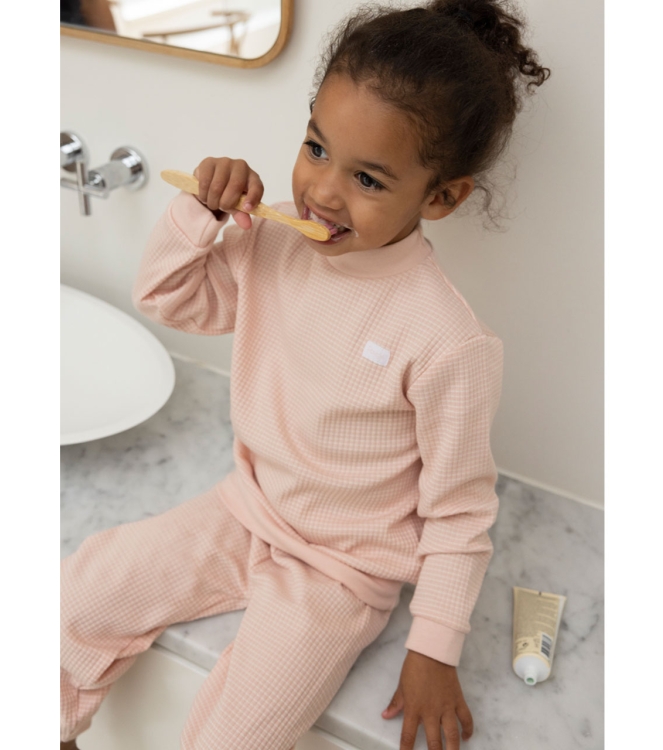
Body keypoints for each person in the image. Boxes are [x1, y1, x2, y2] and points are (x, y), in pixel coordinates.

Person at [60, 1, 550, 748]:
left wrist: (434, 648)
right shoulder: (273, 240)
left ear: (442, 196)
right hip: (244, 508)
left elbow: (459, 512)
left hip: (343, 569)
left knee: (238, 733)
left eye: (368, 179)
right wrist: (199, 214)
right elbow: (167, 300)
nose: (321, 191)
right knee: (79, 594)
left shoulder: (449, 341)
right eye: (316, 148)